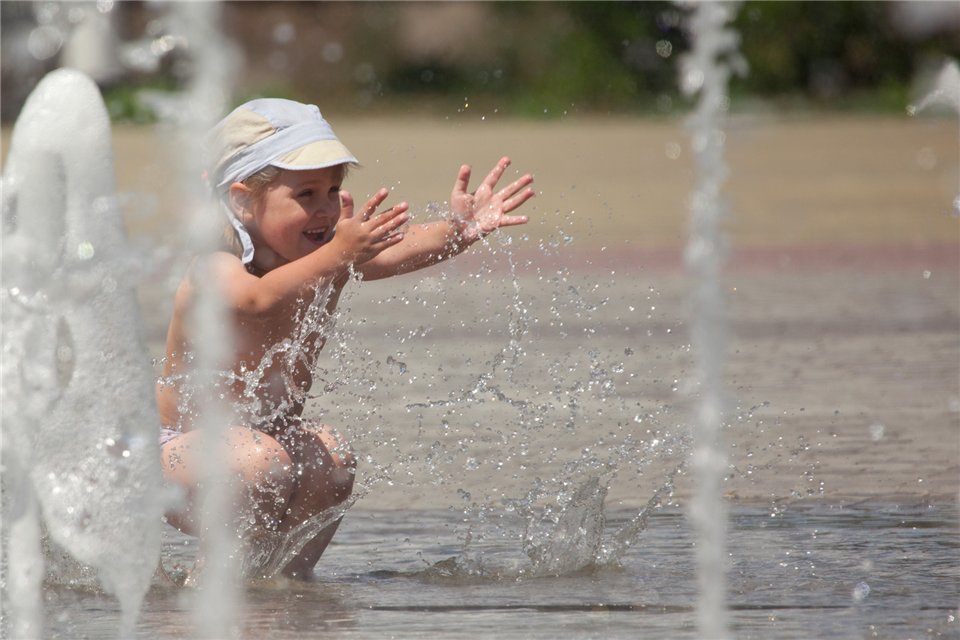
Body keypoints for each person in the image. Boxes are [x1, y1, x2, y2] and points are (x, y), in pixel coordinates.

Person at [156, 98, 535, 580]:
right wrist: (338, 255)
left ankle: (283, 588)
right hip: (176, 457)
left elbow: (405, 247)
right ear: (243, 200)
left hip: (257, 452)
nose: (326, 208)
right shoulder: (214, 268)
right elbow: (257, 301)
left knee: (331, 453)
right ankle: (207, 589)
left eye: (333, 190)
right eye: (306, 194)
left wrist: (460, 230)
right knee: (258, 459)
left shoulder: (326, 258)